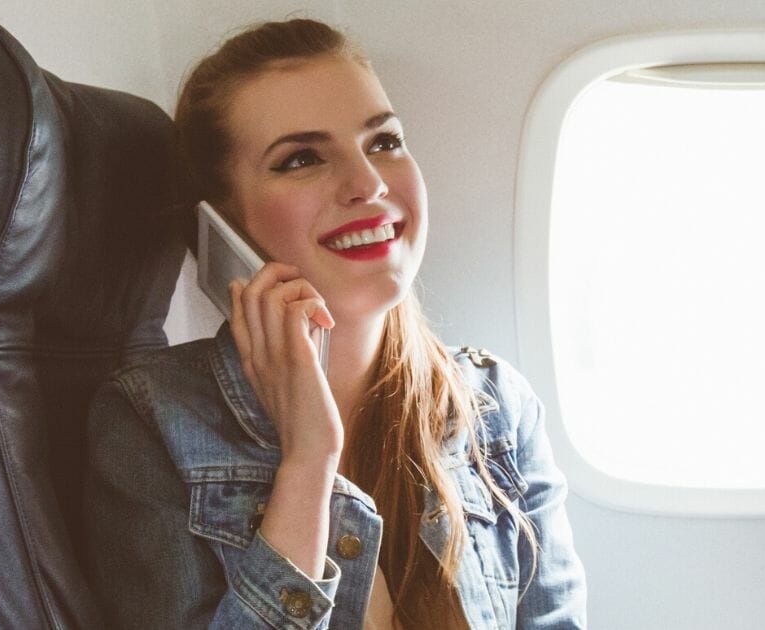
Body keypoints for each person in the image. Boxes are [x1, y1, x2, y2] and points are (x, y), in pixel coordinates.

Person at [81, 18, 587, 630]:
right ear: (221, 230)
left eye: (383, 142)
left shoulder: (497, 406)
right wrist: (308, 463)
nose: (369, 184)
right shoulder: (152, 420)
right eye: (301, 159)